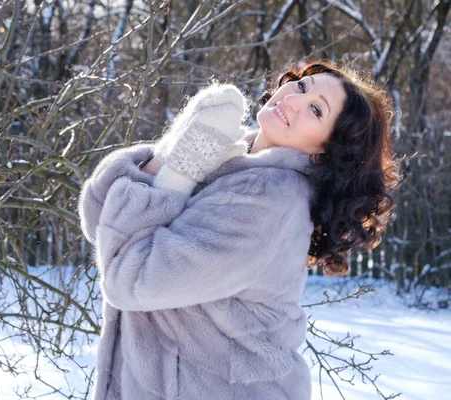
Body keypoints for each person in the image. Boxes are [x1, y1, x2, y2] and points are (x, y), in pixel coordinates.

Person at [78, 60, 401, 400]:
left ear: (325, 152)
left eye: (316, 110)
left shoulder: (269, 201)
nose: (293, 100)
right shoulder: (227, 156)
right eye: (303, 86)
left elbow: (130, 279)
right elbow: (100, 217)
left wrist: (176, 172)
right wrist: (169, 155)